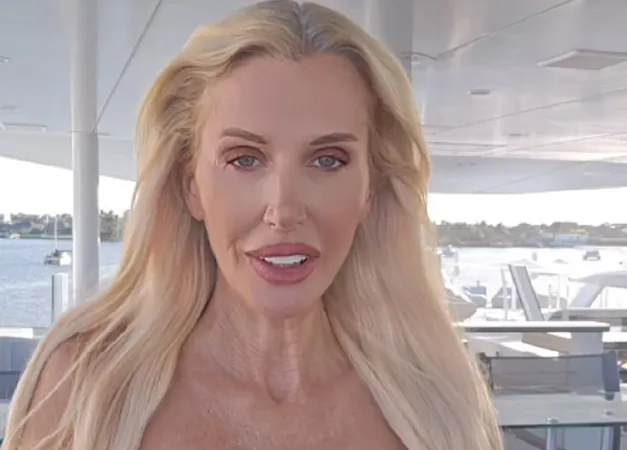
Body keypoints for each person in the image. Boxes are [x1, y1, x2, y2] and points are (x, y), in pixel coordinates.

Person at [3, 1, 502, 449]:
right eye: (244, 159)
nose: (283, 210)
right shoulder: (85, 388)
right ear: (191, 186)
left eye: (328, 160)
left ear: (369, 189)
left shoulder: (434, 404)